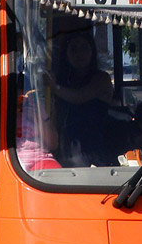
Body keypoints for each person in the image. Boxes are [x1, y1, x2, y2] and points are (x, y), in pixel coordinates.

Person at [47, 26, 113, 166]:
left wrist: (55, 87)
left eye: (84, 48)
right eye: (73, 49)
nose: (79, 54)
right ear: (66, 54)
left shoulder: (101, 78)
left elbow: (79, 96)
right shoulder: (63, 79)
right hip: (64, 144)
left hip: (95, 147)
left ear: (92, 52)